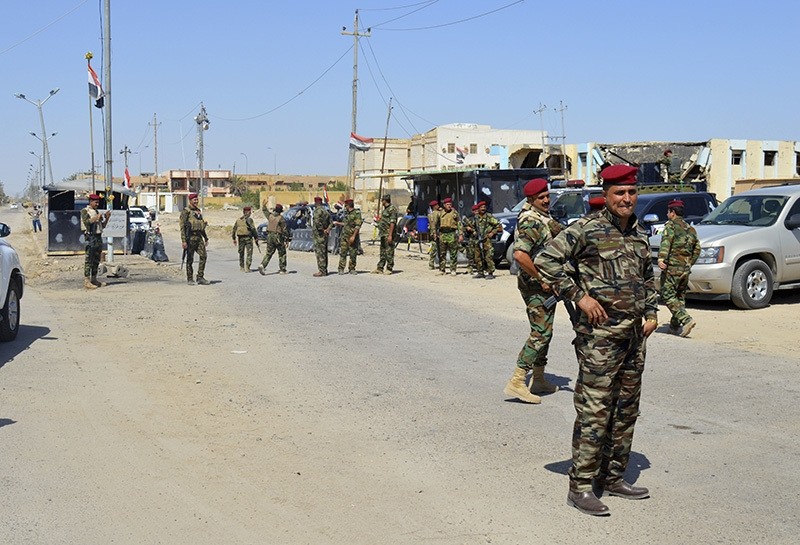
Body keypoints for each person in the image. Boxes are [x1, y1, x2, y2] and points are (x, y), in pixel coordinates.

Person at [535, 164, 658, 516]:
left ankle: (614, 476)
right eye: (620, 193)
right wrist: (579, 296)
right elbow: (546, 260)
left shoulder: (639, 233)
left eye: (632, 192)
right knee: (595, 412)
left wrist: (651, 312)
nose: (627, 199)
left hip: (634, 337)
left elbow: (648, 278)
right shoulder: (586, 230)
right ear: (605, 195)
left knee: (625, 410)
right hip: (600, 341)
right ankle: (581, 486)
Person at [503, 178, 564, 404]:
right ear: (530, 199)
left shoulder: (542, 217)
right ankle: (517, 381)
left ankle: (538, 378)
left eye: (547, 196)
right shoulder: (531, 221)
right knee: (540, 333)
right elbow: (520, 255)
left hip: (544, 286)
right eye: (541, 198)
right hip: (536, 286)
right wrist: (541, 278)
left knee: (545, 331)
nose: (546, 200)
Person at [658, 199, 700, 336]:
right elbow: (697, 249)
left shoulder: (671, 226)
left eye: (668, 211)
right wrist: (689, 263)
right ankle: (674, 326)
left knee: (667, 294)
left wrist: (661, 258)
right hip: (685, 269)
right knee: (679, 296)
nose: (667, 214)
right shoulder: (691, 229)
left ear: (673, 213)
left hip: (672, 268)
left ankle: (686, 319)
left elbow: (666, 242)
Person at [81, 194, 111, 289]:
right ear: (90, 202)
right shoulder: (85, 211)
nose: (97, 204)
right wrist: (95, 218)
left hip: (98, 237)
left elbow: (102, 226)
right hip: (90, 237)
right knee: (89, 259)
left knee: (96, 259)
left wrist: (107, 218)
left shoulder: (96, 211)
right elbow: (86, 222)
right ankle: (87, 281)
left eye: (98, 202)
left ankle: (94, 278)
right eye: (95, 202)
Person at [180, 193, 210, 285]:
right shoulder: (186, 212)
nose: (196, 201)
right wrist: (184, 241)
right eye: (194, 200)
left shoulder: (198, 211)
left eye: (197, 199)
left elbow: (201, 225)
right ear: (190, 201)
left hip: (198, 237)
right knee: (190, 259)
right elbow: (182, 227)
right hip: (190, 238)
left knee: (203, 256)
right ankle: (190, 278)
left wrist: (205, 238)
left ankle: (200, 277)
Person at [473, 201, 503, 279]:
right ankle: (480, 272)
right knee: (478, 256)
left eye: (484, 207)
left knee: (488, 256)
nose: (483, 209)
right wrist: (473, 231)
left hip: (487, 240)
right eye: (481, 207)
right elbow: (471, 225)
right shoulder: (476, 217)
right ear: (478, 208)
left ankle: (490, 272)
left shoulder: (489, 217)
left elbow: (498, 225)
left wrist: (492, 233)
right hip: (478, 239)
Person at [259, 204, 290, 275]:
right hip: (277, 237)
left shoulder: (270, 216)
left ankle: (262, 265)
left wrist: (264, 205)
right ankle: (283, 269)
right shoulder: (281, 218)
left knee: (269, 253)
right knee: (282, 253)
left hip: (269, 236)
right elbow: (284, 230)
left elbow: (265, 211)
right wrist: (287, 238)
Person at [372, 194, 399, 275]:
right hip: (383, 233)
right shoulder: (385, 210)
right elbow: (385, 221)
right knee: (382, 251)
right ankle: (380, 268)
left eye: (382, 200)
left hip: (388, 233)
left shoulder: (392, 209)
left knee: (389, 251)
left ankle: (389, 268)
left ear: (385, 200)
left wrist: (390, 235)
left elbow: (392, 223)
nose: (381, 202)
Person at [337, 198, 363, 274]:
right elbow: (346, 224)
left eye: (346, 205)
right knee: (343, 253)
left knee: (353, 253)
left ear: (348, 205)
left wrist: (353, 236)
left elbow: (358, 226)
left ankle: (352, 268)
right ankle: (341, 268)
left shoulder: (357, 213)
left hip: (352, 237)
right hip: (344, 236)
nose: (345, 207)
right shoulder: (346, 213)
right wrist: (338, 223)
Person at [437, 197, 460, 276]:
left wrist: (461, 234)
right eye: (447, 204)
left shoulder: (455, 213)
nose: (449, 206)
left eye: (450, 204)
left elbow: (459, 224)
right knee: (442, 253)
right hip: (443, 234)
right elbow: (436, 224)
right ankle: (442, 269)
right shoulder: (440, 213)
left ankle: (453, 269)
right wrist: (435, 233)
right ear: (444, 205)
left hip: (451, 234)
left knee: (453, 253)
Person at [231, 205, 257, 272]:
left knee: (241, 253)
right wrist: (256, 237)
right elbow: (253, 229)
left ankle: (242, 267)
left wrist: (233, 238)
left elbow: (234, 229)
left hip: (240, 239)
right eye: (250, 211)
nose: (250, 213)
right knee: (249, 253)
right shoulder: (249, 220)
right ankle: (247, 268)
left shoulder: (238, 220)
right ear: (247, 212)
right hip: (248, 238)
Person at [312, 196, 332, 277]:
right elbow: (331, 222)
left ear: (316, 203)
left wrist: (322, 229)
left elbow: (317, 222)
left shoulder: (317, 211)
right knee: (324, 252)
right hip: (325, 235)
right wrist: (328, 229)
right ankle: (325, 270)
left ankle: (321, 270)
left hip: (319, 235)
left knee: (319, 253)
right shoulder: (326, 211)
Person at [461, 204, 481, 275]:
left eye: (477, 210)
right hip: (472, 239)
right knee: (471, 254)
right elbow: (463, 227)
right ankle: (470, 268)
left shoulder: (482, 218)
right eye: (475, 211)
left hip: (480, 239)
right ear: (473, 211)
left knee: (480, 254)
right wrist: (467, 228)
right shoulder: (469, 219)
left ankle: (481, 268)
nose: (477, 212)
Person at [427, 200, 441, 270]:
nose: (438, 206)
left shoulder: (432, 214)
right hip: (437, 233)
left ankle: (431, 263)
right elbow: (433, 225)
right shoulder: (435, 214)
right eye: (437, 205)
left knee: (434, 248)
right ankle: (432, 263)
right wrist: (435, 234)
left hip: (434, 233)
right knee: (435, 248)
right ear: (434, 206)